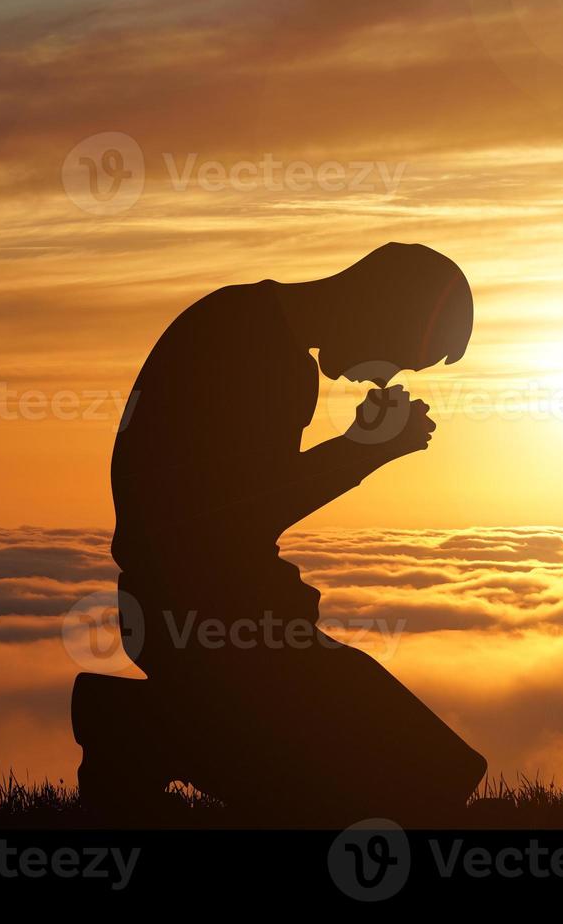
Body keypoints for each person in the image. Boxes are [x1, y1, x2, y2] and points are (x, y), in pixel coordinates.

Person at [72, 242, 487, 827]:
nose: (385, 373)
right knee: (404, 787)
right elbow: (241, 512)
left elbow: (240, 499)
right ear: (381, 309)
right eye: (399, 354)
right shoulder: (260, 353)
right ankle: (143, 729)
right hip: (211, 629)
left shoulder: (246, 326)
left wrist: (359, 448)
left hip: (215, 618)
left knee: (441, 771)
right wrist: (362, 452)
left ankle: (152, 727)